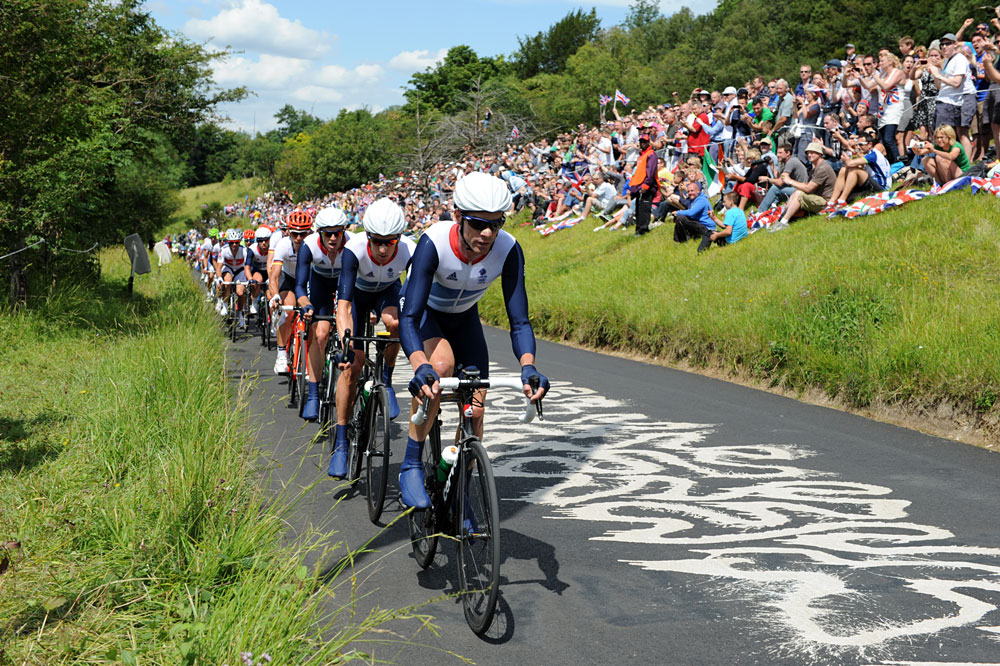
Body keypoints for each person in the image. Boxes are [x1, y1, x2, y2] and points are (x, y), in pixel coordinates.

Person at [397, 172, 548, 508]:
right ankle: (409, 464)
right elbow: (409, 317)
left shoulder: (508, 249)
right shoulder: (433, 242)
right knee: (440, 366)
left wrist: (529, 366)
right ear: (457, 217)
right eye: (478, 224)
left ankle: (459, 492)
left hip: (465, 318)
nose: (487, 234)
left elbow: (519, 319)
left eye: (496, 224)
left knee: (476, 408)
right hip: (426, 314)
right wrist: (419, 365)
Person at [329, 198, 415, 478]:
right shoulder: (353, 250)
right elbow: (343, 307)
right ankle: (341, 443)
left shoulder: (410, 249)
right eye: (376, 241)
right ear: (367, 236)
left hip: (386, 294)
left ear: (399, 238)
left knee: (396, 324)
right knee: (354, 366)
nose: (381, 249)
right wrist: (346, 343)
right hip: (357, 297)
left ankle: (386, 378)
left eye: (389, 242)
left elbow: (415, 300)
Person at [295, 206, 353, 422]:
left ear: (343, 232)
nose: (332, 238)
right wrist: (306, 304)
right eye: (327, 233)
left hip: (344, 284)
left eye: (337, 233)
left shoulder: (353, 244)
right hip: (318, 283)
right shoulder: (309, 245)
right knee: (320, 334)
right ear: (319, 233)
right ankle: (313, 394)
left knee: (350, 332)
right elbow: (300, 286)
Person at [268, 210, 312, 375]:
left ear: (310, 232)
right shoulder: (283, 245)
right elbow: (274, 276)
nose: (299, 238)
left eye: (303, 234)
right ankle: (281, 354)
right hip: (290, 279)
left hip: (309, 280)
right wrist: (276, 295)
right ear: (288, 232)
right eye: (295, 233)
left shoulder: (314, 243)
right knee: (288, 312)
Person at [769, 141, 838, 231]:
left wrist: (790, 181)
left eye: (812, 152)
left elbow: (808, 188)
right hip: (817, 198)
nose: (809, 155)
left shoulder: (822, 168)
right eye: (808, 153)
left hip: (825, 202)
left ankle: (783, 222)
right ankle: (783, 217)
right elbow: (806, 186)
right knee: (796, 192)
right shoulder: (816, 167)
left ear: (820, 154)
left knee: (794, 193)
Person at [931, 33, 975, 159]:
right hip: (949, 98)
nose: (944, 47)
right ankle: (960, 160)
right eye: (942, 44)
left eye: (948, 43)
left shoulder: (960, 59)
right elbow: (941, 86)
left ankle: (967, 163)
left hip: (964, 97)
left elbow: (956, 82)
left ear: (955, 44)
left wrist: (938, 75)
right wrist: (936, 73)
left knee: (962, 132)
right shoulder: (947, 61)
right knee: (957, 132)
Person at [825, 131, 891, 207]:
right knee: (844, 170)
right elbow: (857, 164)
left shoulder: (873, 154)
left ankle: (841, 200)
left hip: (881, 188)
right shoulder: (868, 154)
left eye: (861, 145)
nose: (859, 147)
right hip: (872, 186)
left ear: (870, 144)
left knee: (854, 170)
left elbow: (850, 163)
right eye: (858, 145)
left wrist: (847, 160)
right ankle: (832, 201)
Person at [758, 143, 807, 210]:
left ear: (788, 153)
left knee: (774, 188)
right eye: (777, 153)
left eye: (780, 153)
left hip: (801, 190)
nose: (778, 155)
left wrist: (767, 179)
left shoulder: (791, 161)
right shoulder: (786, 162)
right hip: (795, 188)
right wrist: (772, 165)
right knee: (777, 190)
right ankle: (771, 210)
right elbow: (778, 178)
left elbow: (779, 182)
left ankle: (760, 212)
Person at [216, 228, 249, 326]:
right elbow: (219, 267)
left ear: (239, 242)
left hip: (240, 270)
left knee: (240, 292)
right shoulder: (224, 250)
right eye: (231, 243)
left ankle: (241, 314)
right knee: (227, 282)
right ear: (228, 242)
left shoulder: (244, 251)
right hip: (229, 269)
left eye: (236, 242)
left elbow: (247, 267)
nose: (234, 245)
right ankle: (225, 306)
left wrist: (248, 278)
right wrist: (219, 277)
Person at [672, 180, 717, 252]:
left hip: (708, 228)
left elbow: (691, 213)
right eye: (688, 191)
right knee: (680, 218)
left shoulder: (701, 200)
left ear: (698, 191)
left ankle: (682, 241)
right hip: (699, 224)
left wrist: (678, 212)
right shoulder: (693, 200)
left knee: (681, 217)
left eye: (692, 191)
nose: (690, 193)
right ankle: (683, 241)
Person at [629, 132, 659, 236]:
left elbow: (650, 172)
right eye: (641, 142)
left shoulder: (651, 154)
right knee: (638, 209)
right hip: (639, 186)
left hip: (647, 186)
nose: (642, 144)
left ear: (648, 142)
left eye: (644, 142)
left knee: (644, 209)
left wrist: (646, 185)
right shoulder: (642, 155)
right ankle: (638, 229)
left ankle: (643, 229)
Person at [246, 226, 271, 314]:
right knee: (257, 280)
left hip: (269, 272)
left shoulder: (273, 248)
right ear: (257, 241)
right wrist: (250, 279)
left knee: (270, 295)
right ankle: (254, 301)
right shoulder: (252, 249)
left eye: (266, 240)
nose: (264, 243)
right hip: (258, 271)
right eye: (260, 240)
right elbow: (247, 267)